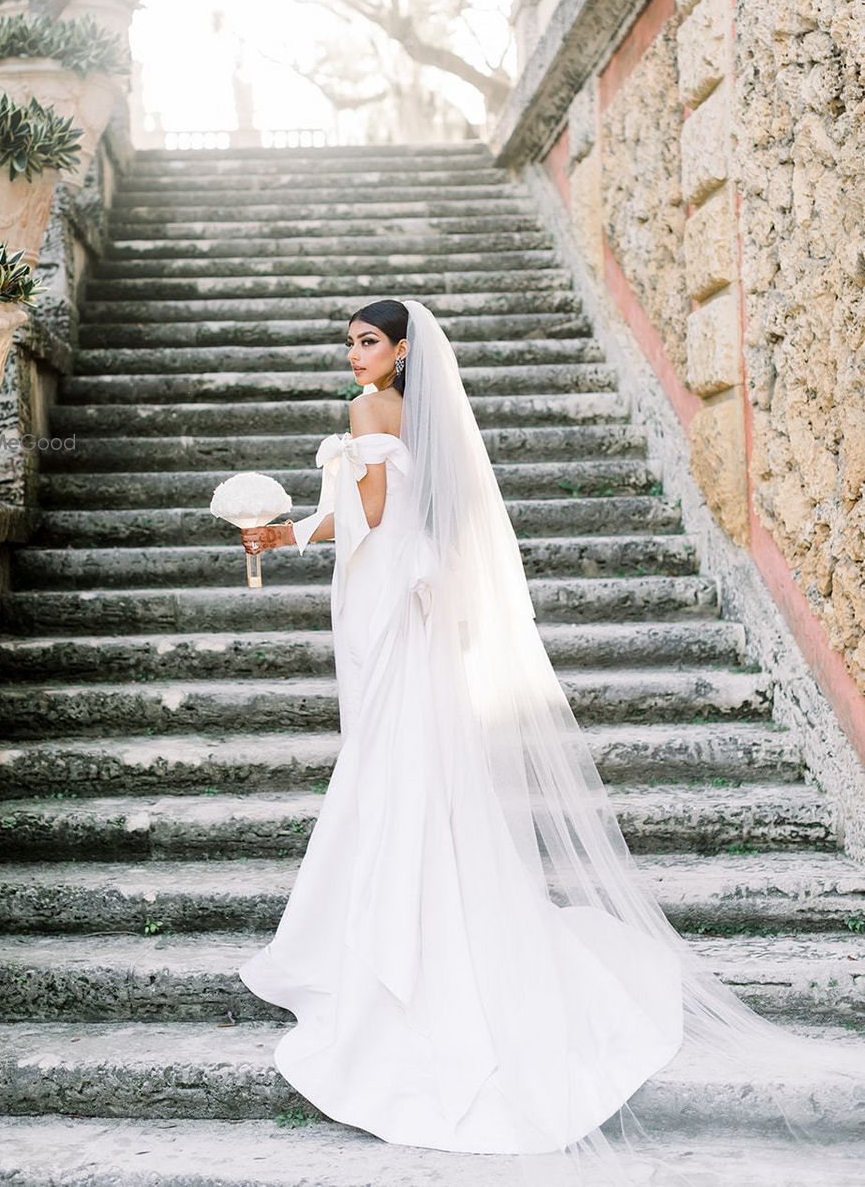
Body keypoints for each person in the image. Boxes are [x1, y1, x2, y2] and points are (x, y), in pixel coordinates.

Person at [237, 297, 864, 1185]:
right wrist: (299, 525)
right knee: (409, 770)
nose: (354, 356)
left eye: (367, 341)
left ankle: (386, 950)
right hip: (404, 604)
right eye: (348, 343)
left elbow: (369, 516)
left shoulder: (366, 413)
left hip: (383, 604)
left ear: (403, 349)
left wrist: (291, 527)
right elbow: (398, 513)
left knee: (385, 766)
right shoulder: (422, 416)